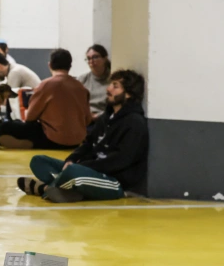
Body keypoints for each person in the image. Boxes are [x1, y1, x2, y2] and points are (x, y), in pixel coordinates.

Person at [18, 69, 148, 203]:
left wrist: (84, 167)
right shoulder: (106, 116)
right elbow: (88, 143)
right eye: (110, 84)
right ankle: (68, 190)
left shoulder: (135, 123)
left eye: (115, 86)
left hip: (114, 180)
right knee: (39, 161)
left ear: (128, 94)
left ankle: (44, 189)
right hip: (90, 170)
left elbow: (120, 160)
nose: (108, 89)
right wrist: (72, 159)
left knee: (74, 173)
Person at [0, 48, 91, 150]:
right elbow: (88, 120)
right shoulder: (82, 88)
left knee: (6, 127)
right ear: (70, 66)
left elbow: (30, 117)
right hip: (76, 142)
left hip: (52, 139)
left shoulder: (46, 85)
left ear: (50, 65)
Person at [77, 44, 112, 116]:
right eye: (88, 58)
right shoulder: (82, 79)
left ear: (105, 58)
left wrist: (98, 116)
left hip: (106, 118)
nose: (91, 61)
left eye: (95, 57)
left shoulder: (113, 79)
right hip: (86, 118)